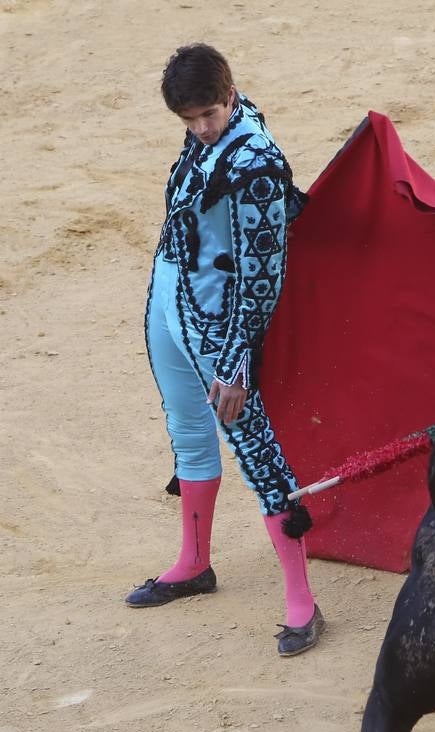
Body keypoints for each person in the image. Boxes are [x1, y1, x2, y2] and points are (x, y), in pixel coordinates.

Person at [125, 43, 324, 657]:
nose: (200, 129)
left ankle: (302, 601)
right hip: (171, 308)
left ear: (231, 96)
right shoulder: (206, 136)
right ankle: (194, 563)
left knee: (258, 452)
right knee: (187, 430)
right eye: (188, 121)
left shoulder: (258, 164)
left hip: (219, 331)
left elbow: (262, 277)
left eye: (208, 115)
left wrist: (238, 360)